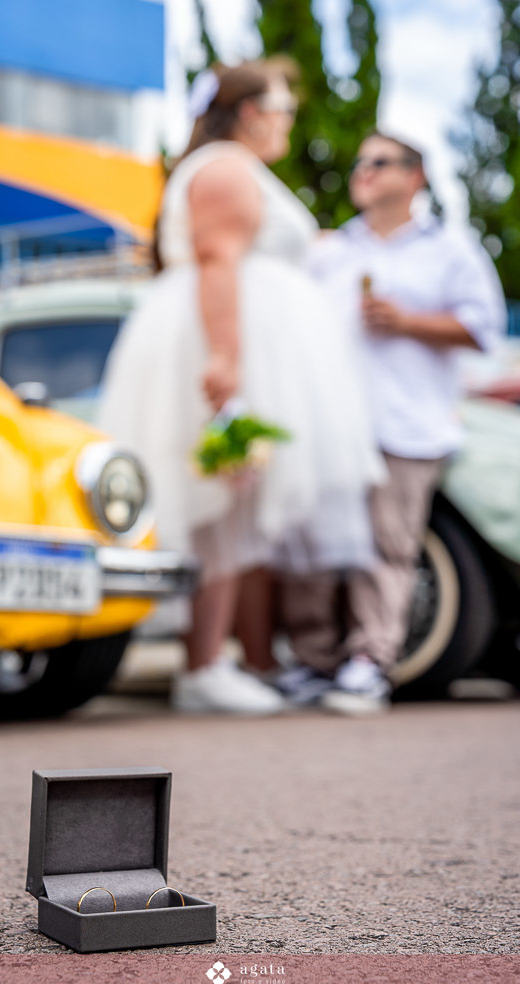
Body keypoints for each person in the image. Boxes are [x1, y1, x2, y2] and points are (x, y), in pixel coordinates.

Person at [97, 61, 383, 714]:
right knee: (219, 501)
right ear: (252, 112)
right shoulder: (225, 169)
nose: (287, 123)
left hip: (244, 344)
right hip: (219, 344)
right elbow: (219, 262)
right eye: (283, 110)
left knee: (232, 506)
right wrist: (226, 361)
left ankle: (225, 660)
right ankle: (202, 666)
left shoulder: (228, 168)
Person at [280, 130, 507, 715]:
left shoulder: (450, 249)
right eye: (359, 163)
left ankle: (369, 662)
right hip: (331, 426)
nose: (363, 173)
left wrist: (409, 322)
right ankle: (314, 661)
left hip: (407, 423)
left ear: (415, 176)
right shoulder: (333, 249)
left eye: (378, 163)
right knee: (316, 544)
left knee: (387, 547)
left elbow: (484, 327)